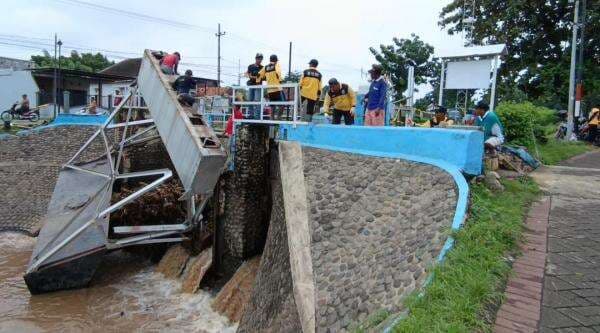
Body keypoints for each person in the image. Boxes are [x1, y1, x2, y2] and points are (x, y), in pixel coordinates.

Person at [258, 54, 284, 119]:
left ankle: (271, 120)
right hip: (277, 88)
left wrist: (258, 81)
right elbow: (278, 72)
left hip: (270, 90)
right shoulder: (276, 65)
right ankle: (278, 118)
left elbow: (259, 74)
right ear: (276, 60)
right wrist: (280, 80)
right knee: (283, 104)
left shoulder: (266, 67)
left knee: (272, 106)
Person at [245, 53, 264, 119]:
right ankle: (251, 115)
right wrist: (252, 76)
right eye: (258, 58)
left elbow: (264, 77)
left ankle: (257, 117)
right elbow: (247, 74)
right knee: (250, 100)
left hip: (258, 86)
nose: (259, 60)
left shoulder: (262, 68)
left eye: (261, 58)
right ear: (256, 58)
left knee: (257, 101)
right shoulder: (250, 66)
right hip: (251, 85)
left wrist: (258, 77)